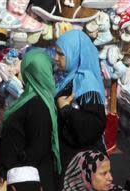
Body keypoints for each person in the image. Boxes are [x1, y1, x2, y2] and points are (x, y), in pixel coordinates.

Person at [0, 49, 61, 191]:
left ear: (30, 72)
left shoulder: (38, 105)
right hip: (19, 180)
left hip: (27, 190)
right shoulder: (28, 98)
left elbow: (37, 149)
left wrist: (7, 166)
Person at [53, 30, 107, 174]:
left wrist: (66, 110)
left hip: (83, 164)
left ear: (75, 53)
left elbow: (93, 127)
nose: (56, 58)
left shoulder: (86, 83)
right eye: (56, 52)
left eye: (61, 54)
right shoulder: (69, 77)